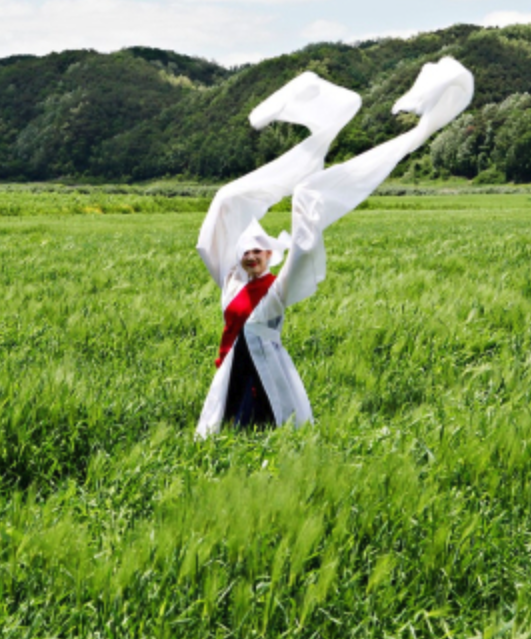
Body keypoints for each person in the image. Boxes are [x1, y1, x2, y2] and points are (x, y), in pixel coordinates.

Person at [195, 58, 474, 438]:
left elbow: (303, 248)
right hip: (230, 367)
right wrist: (230, 198)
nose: (251, 256)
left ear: (270, 255)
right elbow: (211, 236)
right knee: (224, 428)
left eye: (258, 251)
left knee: (262, 428)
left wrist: (305, 207)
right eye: (246, 252)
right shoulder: (230, 281)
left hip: (265, 371)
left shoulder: (276, 290)